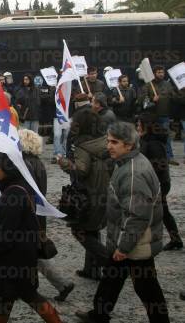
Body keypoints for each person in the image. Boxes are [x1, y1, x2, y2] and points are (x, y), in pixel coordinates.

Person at [76, 122, 169, 323]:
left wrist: (124, 247)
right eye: (108, 141)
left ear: (129, 145)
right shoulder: (126, 162)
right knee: (112, 277)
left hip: (135, 241)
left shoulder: (134, 172)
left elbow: (137, 216)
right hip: (127, 237)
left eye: (114, 142)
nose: (109, 146)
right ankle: (99, 314)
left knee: (147, 288)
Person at [0, 150, 62, 323]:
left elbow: (4, 236)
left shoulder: (14, 193)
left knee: (1, 304)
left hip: (8, 264)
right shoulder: (21, 185)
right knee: (30, 296)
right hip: (22, 260)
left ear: (6, 167)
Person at [19, 129, 74, 302]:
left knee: (27, 251)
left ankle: (28, 286)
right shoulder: (37, 163)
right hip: (37, 213)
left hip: (28, 213)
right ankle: (61, 284)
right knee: (33, 252)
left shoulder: (25, 164)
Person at [58, 109, 110, 280]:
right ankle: (91, 270)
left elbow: (80, 170)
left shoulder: (82, 146)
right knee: (92, 229)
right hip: (102, 190)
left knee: (79, 230)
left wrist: (64, 162)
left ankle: (109, 262)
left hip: (88, 193)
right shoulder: (103, 140)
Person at [136, 114, 182, 251]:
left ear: (147, 127)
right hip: (155, 183)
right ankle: (175, 240)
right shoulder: (146, 140)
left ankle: (147, 240)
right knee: (163, 212)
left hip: (158, 183)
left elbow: (158, 168)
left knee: (153, 212)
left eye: (139, 125)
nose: (137, 127)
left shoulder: (154, 144)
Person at [140, 65, 176, 164]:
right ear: (154, 73)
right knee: (150, 137)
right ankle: (150, 156)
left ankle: (169, 157)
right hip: (152, 116)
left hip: (164, 115)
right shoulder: (148, 85)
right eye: (159, 72)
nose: (161, 74)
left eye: (162, 72)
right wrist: (152, 99)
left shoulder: (167, 85)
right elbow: (142, 101)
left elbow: (174, 98)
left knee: (166, 137)